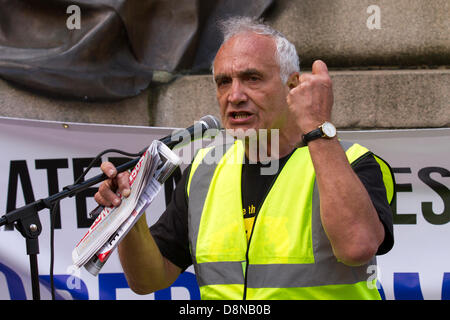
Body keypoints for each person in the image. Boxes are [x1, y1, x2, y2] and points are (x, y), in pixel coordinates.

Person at [94, 17, 394, 300]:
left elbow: (358, 246)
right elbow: (148, 280)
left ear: (292, 86)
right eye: (224, 81)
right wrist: (129, 216)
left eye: (252, 78)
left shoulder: (356, 162)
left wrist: (318, 129)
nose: (234, 95)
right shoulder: (203, 171)